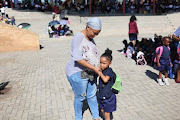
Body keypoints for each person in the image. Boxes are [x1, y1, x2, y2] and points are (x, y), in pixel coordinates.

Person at [65, 17, 101, 120]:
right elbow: (77, 58)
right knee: (80, 97)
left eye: (97, 34)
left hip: (90, 72)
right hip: (78, 72)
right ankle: (78, 117)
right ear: (88, 27)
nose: (95, 36)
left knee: (92, 95)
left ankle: (96, 116)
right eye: (94, 33)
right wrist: (94, 68)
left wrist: (97, 66)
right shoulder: (78, 38)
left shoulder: (90, 37)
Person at [98, 48, 116, 120]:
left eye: (104, 63)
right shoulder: (102, 70)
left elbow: (105, 80)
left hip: (108, 97)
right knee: (102, 110)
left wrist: (99, 73)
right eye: (100, 62)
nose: (101, 65)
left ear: (110, 63)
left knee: (107, 113)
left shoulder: (109, 71)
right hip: (101, 95)